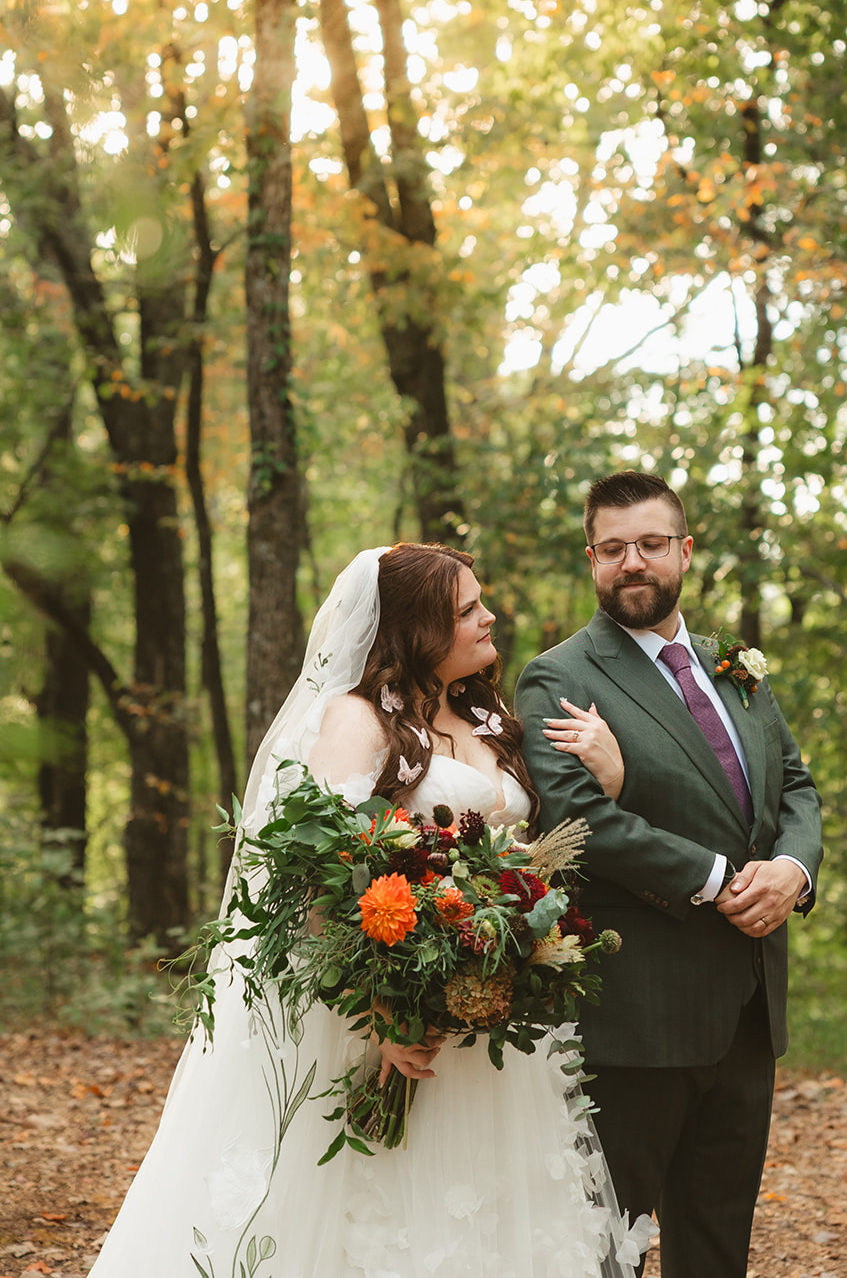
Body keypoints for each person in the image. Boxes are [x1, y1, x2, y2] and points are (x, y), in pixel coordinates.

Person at [88, 543, 648, 1278]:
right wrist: (380, 1011)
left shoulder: (486, 714)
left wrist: (608, 781)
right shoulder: (356, 721)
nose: (488, 618)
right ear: (416, 629)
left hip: (489, 1015)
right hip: (385, 1019)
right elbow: (310, 875)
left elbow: (532, 857)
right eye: (466, 610)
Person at [515, 472, 823, 1278]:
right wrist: (722, 880)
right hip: (637, 1014)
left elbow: (793, 784)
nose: (632, 562)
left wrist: (791, 867)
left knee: (718, 1242)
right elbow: (579, 824)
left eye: (650, 544)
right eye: (612, 548)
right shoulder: (561, 677)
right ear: (590, 560)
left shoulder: (731, 662)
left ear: (684, 552)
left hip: (748, 1006)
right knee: (605, 1247)